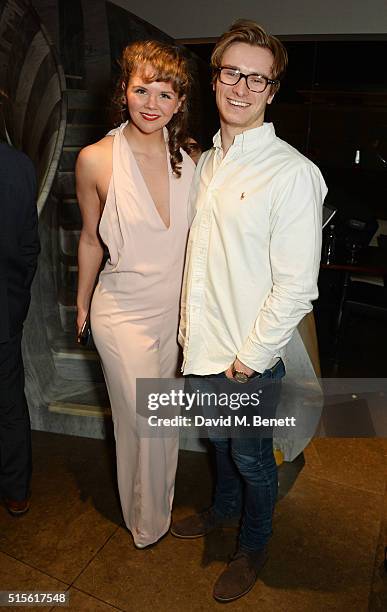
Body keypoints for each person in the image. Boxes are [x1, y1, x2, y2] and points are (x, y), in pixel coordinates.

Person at [172, 20, 327, 602]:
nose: (241, 87)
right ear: (214, 78)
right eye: (231, 72)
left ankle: (253, 542)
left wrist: (249, 360)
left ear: (273, 88)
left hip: (246, 359)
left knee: (253, 458)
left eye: (256, 78)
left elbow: (295, 288)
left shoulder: (292, 172)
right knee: (216, 443)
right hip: (202, 346)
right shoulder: (207, 162)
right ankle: (221, 509)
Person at [75, 40, 195, 549]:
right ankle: (144, 522)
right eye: (141, 88)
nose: (152, 103)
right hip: (121, 315)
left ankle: (159, 507)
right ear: (123, 90)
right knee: (142, 422)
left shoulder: (191, 159)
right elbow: (88, 238)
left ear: (180, 103)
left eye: (165, 93)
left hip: (174, 316)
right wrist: (81, 303)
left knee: (165, 420)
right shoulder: (95, 159)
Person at [0, 139, 39, 516]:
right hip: (4, 312)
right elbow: (30, 249)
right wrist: (14, 305)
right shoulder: (20, 166)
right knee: (9, 403)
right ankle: (16, 491)